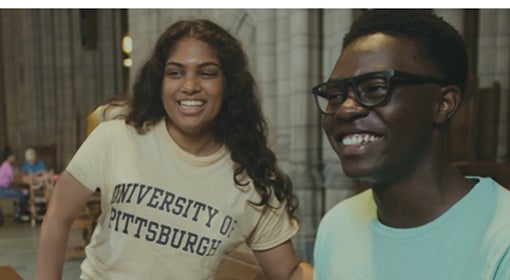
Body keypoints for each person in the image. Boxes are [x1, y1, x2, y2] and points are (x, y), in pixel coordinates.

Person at [36, 19, 312, 280]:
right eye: (175, 73)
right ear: (160, 83)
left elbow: (288, 273)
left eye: (207, 73)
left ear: (228, 85)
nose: (190, 86)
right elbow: (58, 217)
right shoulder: (115, 138)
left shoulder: (254, 180)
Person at [312, 9, 510, 280]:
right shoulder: (336, 225)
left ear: (443, 103)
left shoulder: (502, 239)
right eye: (334, 95)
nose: (345, 110)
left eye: (375, 88)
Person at [0, 146, 30, 222]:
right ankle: (20, 215)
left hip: (4, 188)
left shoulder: (5, 165)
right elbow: (14, 180)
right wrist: (24, 180)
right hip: (2, 190)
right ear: (9, 157)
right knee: (22, 194)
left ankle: (21, 213)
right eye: (13, 156)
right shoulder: (7, 166)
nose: (14, 157)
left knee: (22, 192)